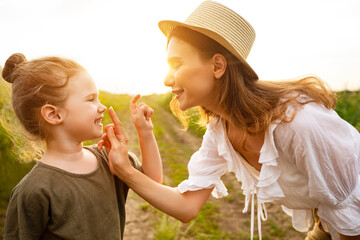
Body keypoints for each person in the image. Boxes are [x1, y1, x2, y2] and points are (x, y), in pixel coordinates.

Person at [100, 1, 360, 240]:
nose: (167, 80)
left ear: (217, 66)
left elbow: (350, 215)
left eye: (176, 64)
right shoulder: (220, 129)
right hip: (329, 222)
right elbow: (186, 206)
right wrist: (125, 170)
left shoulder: (298, 123)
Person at [2, 53, 162, 239]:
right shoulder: (33, 191)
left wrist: (146, 133)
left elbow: (153, 183)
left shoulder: (108, 159)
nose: (101, 107)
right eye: (90, 99)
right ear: (54, 115)